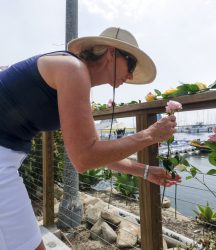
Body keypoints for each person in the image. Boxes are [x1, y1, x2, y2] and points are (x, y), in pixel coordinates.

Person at [0, 27, 181, 250]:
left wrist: (145, 171)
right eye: (131, 65)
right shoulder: (72, 69)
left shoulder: (75, 74)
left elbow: (95, 151)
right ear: (112, 53)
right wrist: (150, 135)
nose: (131, 75)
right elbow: (84, 158)